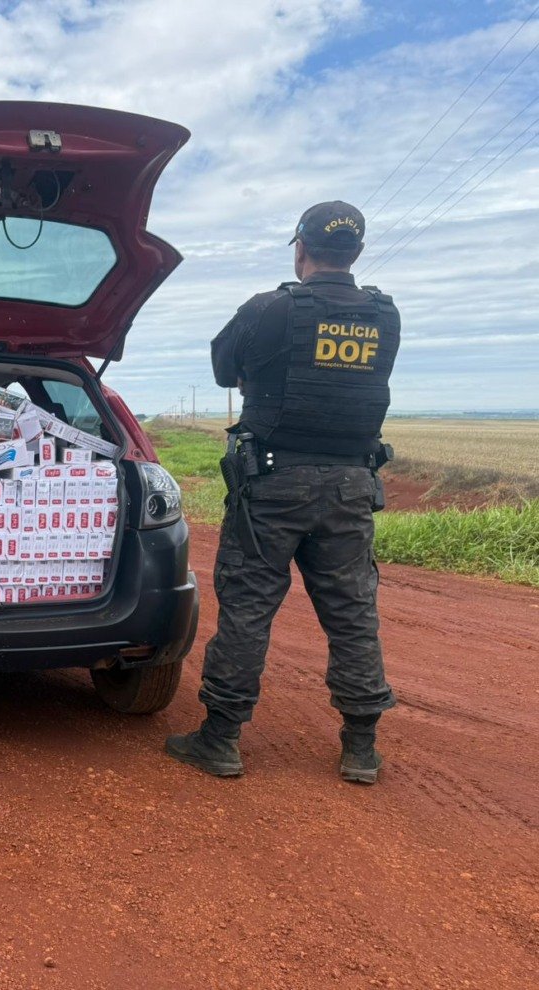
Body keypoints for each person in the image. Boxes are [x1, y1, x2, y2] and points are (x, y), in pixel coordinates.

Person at [166, 201, 401, 784]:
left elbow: (224, 369)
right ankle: (360, 749)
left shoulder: (269, 308)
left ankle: (220, 740)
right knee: (352, 613)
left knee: (247, 608)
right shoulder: (384, 315)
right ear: (358, 252)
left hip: (273, 483)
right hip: (351, 484)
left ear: (300, 248)